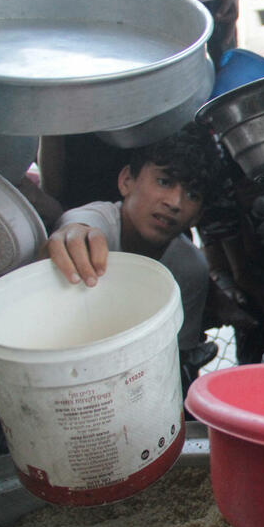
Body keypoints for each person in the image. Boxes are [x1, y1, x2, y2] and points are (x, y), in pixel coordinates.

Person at [45, 123, 223, 366]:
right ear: (127, 180)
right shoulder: (98, 224)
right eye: (164, 181)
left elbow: (177, 355)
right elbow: (77, 226)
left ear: (197, 216)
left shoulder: (190, 268)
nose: (174, 202)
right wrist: (73, 234)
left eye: (192, 195)